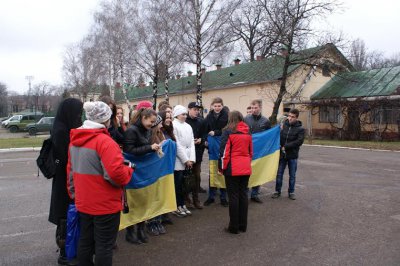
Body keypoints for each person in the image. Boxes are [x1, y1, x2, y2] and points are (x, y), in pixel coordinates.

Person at [67, 101, 133, 266]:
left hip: (84, 202)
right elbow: (116, 175)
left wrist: (75, 194)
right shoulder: (105, 141)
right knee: (104, 246)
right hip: (105, 204)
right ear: (106, 120)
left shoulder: (74, 141)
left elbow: (70, 172)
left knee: (86, 242)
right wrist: (129, 171)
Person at [49, 98, 83, 266]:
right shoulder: (61, 132)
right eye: (77, 112)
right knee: (64, 215)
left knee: (69, 213)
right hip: (64, 179)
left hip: (67, 178)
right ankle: (64, 252)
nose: (79, 116)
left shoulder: (63, 126)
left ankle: (70, 248)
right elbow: (65, 157)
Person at [123, 104, 160, 244]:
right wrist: (150, 147)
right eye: (151, 121)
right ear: (143, 118)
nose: (153, 124)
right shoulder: (131, 130)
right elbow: (129, 152)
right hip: (133, 172)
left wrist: (153, 148)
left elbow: (145, 147)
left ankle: (141, 228)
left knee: (144, 200)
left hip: (144, 170)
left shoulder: (147, 130)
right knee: (133, 201)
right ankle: (130, 231)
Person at [219, 111, 253, 234]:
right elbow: (251, 152)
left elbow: (224, 152)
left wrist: (221, 168)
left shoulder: (228, 132)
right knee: (243, 195)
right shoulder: (248, 132)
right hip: (245, 167)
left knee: (233, 196)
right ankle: (243, 225)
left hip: (232, 168)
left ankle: (233, 227)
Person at [272, 108, 305, 200]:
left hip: (292, 155)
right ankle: (277, 191)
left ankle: (291, 192)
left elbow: (299, 142)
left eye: (292, 117)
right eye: (289, 116)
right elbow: (278, 136)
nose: (290, 118)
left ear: (296, 118)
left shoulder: (300, 129)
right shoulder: (283, 125)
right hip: (282, 155)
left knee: (292, 175)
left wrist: (286, 146)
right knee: (279, 174)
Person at [244, 99, 271, 203]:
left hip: (260, 151)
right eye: (252, 108)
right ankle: (245, 194)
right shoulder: (246, 119)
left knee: (257, 172)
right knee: (246, 172)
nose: (253, 110)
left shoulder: (266, 121)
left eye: (256, 108)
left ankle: (255, 194)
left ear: (260, 108)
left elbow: (268, 135)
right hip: (247, 150)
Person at [204, 97, 229, 207]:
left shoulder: (227, 116)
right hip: (212, 147)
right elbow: (204, 129)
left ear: (222, 106)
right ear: (212, 106)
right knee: (213, 171)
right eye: (215, 106)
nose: (217, 107)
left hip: (223, 145)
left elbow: (227, 129)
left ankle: (223, 197)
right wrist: (205, 140)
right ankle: (211, 196)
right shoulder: (208, 116)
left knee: (222, 171)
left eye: (219, 106)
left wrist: (216, 132)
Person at [172, 105, 196, 217]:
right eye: (183, 114)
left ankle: (182, 204)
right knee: (177, 184)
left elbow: (191, 143)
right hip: (178, 160)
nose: (185, 116)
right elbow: (177, 145)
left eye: (186, 114)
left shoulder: (188, 126)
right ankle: (177, 205)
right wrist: (185, 159)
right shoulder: (173, 125)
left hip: (187, 160)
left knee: (184, 185)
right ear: (177, 114)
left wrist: (191, 159)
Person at [147, 115, 168, 236]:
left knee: (159, 196)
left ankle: (158, 220)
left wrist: (165, 145)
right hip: (151, 170)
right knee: (152, 197)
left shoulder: (161, 134)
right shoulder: (150, 136)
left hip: (160, 170)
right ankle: (151, 222)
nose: (161, 125)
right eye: (159, 123)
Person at [185, 102, 207, 209]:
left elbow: (205, 133)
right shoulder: (184, 121)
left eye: (198, 110)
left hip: (197, 154)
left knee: (196, 177)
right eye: (194, 109)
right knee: (186, 178)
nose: (197, 111)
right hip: (186, 155)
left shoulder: (201, 121)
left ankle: (196, 199)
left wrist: (201, 139)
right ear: (189, 109)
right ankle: (186, 200)